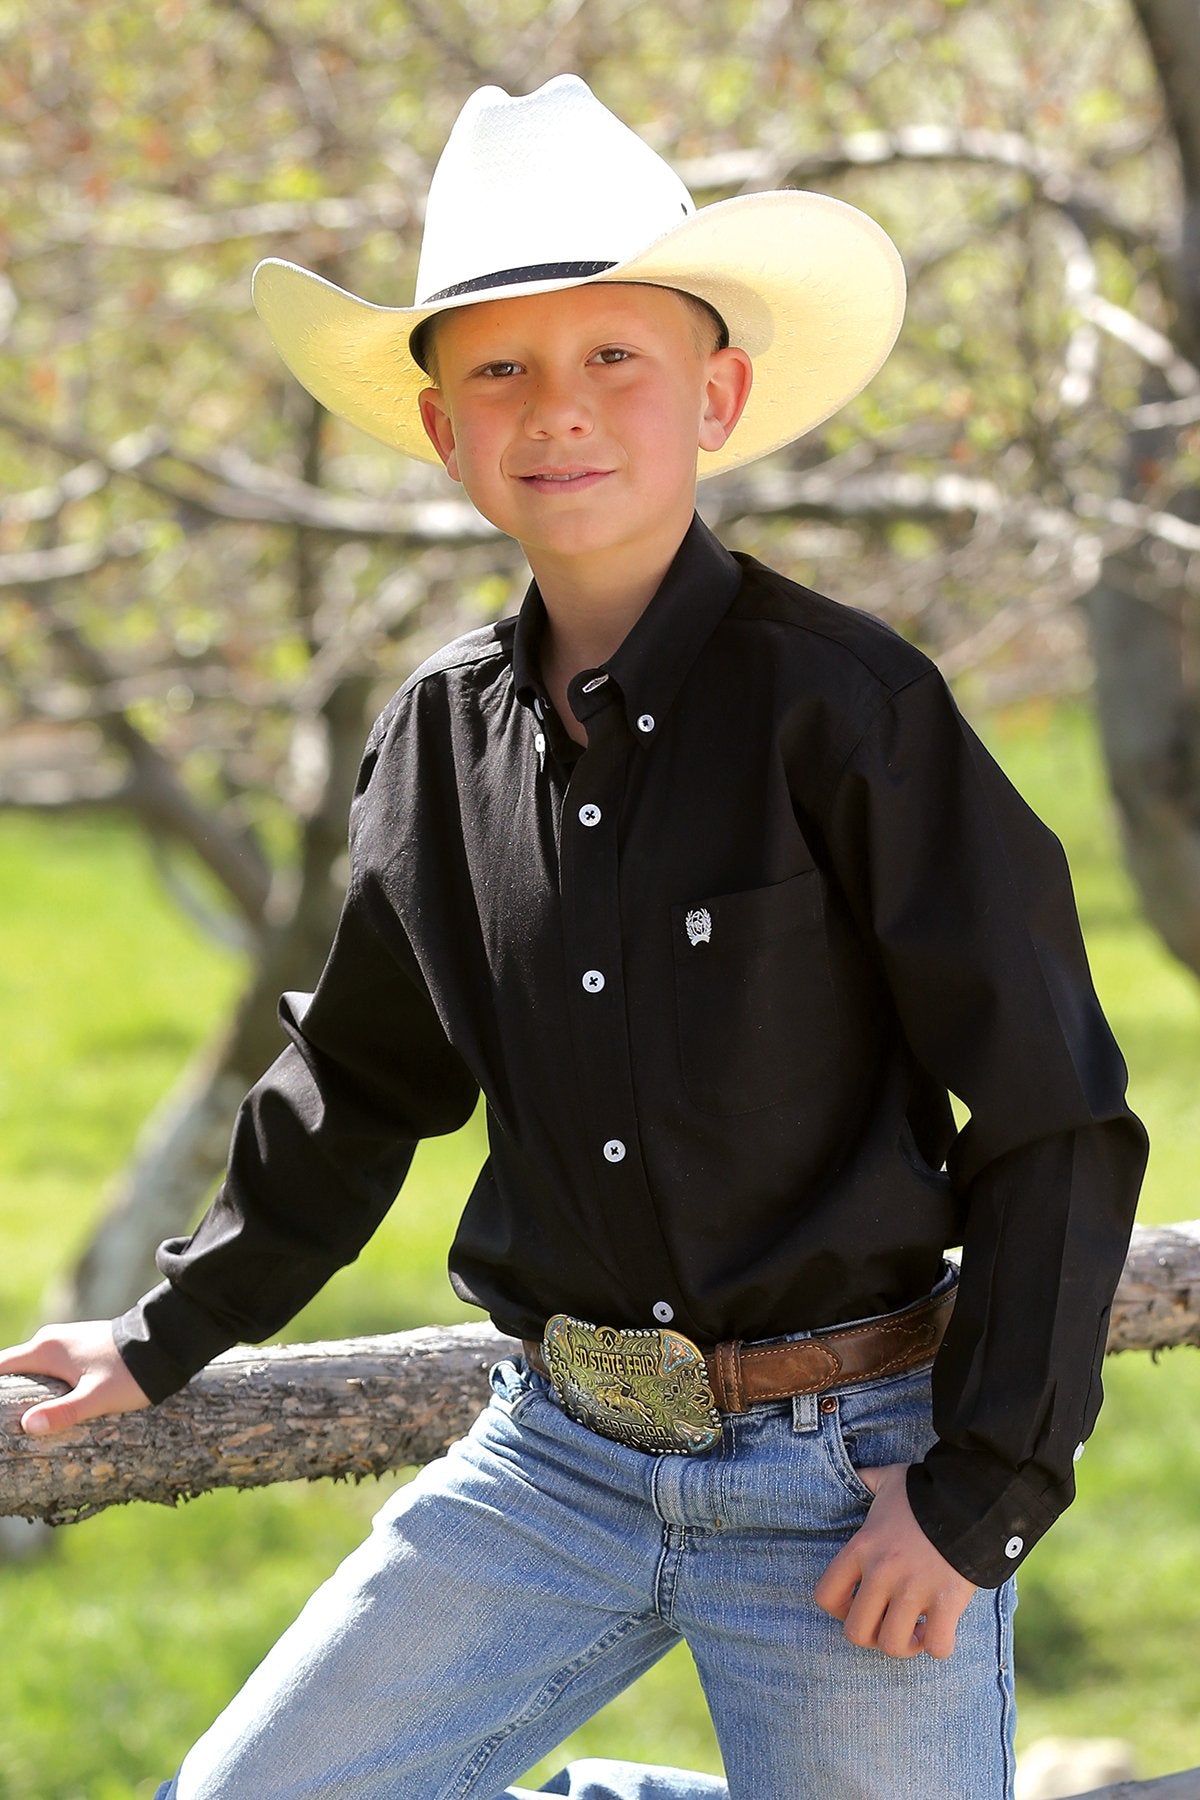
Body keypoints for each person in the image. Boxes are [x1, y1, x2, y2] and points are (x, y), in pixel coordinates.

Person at [0, 75, 1148, 1800]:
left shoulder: (851, 712)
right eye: (501, 371)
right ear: (447, 433)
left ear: (720, 394)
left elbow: (1056, 1106)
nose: (561, 410)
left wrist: (980, 1491)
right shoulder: (437, 742)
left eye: (615, 356)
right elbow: (360, 1083)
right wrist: (166, 1333)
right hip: (553, 1460)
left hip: (852, 1479)